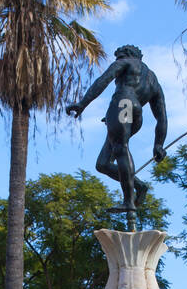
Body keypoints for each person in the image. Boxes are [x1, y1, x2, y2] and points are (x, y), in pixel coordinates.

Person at [65, 45, 167, 220]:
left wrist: (83, 103)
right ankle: (138, 186)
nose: (117, 58)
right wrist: (159, 144)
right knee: (103, 164)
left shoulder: (126, 62)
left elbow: (103, 80)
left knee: (121, 148)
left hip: (123, 104)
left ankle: (129, 201)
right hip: (135, 114)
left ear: (127, 54)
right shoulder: (153, 80)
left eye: (119, 55)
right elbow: (162, 117)